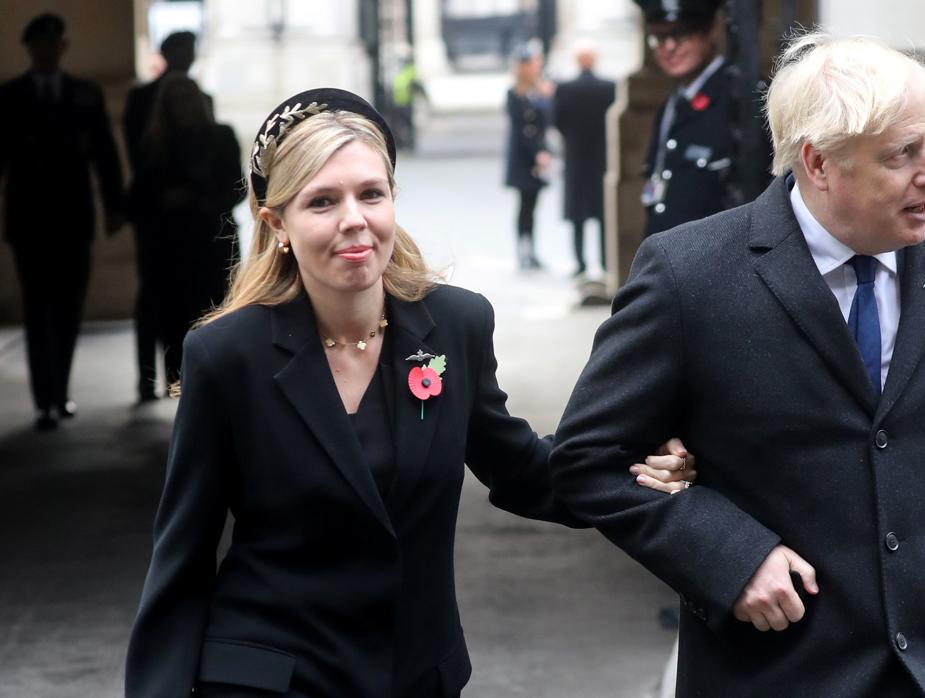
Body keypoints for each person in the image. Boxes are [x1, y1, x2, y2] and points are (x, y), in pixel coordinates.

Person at [125, 88, 695, 697]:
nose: (354, 219)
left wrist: (639, 469)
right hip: (270, 678)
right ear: (277, 225)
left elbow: (524, 470)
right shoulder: (225, 356)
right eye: (322, 201)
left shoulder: (456, 326)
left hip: (414, 675)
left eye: (371, 193)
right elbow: (182, 558)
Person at [551, 32, 925, 696]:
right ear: (819, 164)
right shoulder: (690, 274)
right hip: (779, 672)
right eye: (902, 154)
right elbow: (585, 461)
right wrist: (728, 556)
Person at [0, 13, 125, 430]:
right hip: (29, 220)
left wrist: (113, 208)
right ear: (31, 49)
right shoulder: (10, 97)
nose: (47, 50)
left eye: (53, 43)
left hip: (74, 219)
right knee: (39, 309)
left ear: (62, 47)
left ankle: (61, 391)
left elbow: (105, 158)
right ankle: (44, 400)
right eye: (40, 44)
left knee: (70, 309)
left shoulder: (84, 95)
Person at [127, 74, 241, 390]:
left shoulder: (220, 137)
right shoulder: (155, 145)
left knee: (217, 312)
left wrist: (200, 200)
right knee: (173, 316)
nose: (182, 106)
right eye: (174, 100)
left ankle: (218, 382)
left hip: (212, 240)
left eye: (187, 98)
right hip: (170, 244)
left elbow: (236, 187)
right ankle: (178, 384)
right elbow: (141, 196)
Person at [123, 31, 214, 401]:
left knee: (193, 299)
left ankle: (182, 377)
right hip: (158, 222)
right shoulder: (143, 99)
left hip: (195, 226)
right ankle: (148, 378)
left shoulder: (203, 99)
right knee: (153, 301)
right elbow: (137, 159)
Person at [634, 0, 733, 238]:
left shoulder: (735, 98)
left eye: (681, 34)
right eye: (659, 37)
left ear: (708, 32)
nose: (669, 47)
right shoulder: (673, 105)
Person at [552, 39, 615, 277]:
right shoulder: (609, 86)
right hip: (601, 158)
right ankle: (605, 261)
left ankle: (580, 263)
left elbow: (557, 121)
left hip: (576, 158)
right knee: (603, 214)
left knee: (578, 217)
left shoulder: (566, 88)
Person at [503, 42, 553, 270]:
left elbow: (546, 122)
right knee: (524, 205)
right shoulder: (514, 94)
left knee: (533, 205)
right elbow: (525, 128)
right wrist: (537, 154)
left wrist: (546, 98)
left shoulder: (540, 90)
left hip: (538, 156)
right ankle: (523, 250)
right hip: (523, 158)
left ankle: (531, 250)